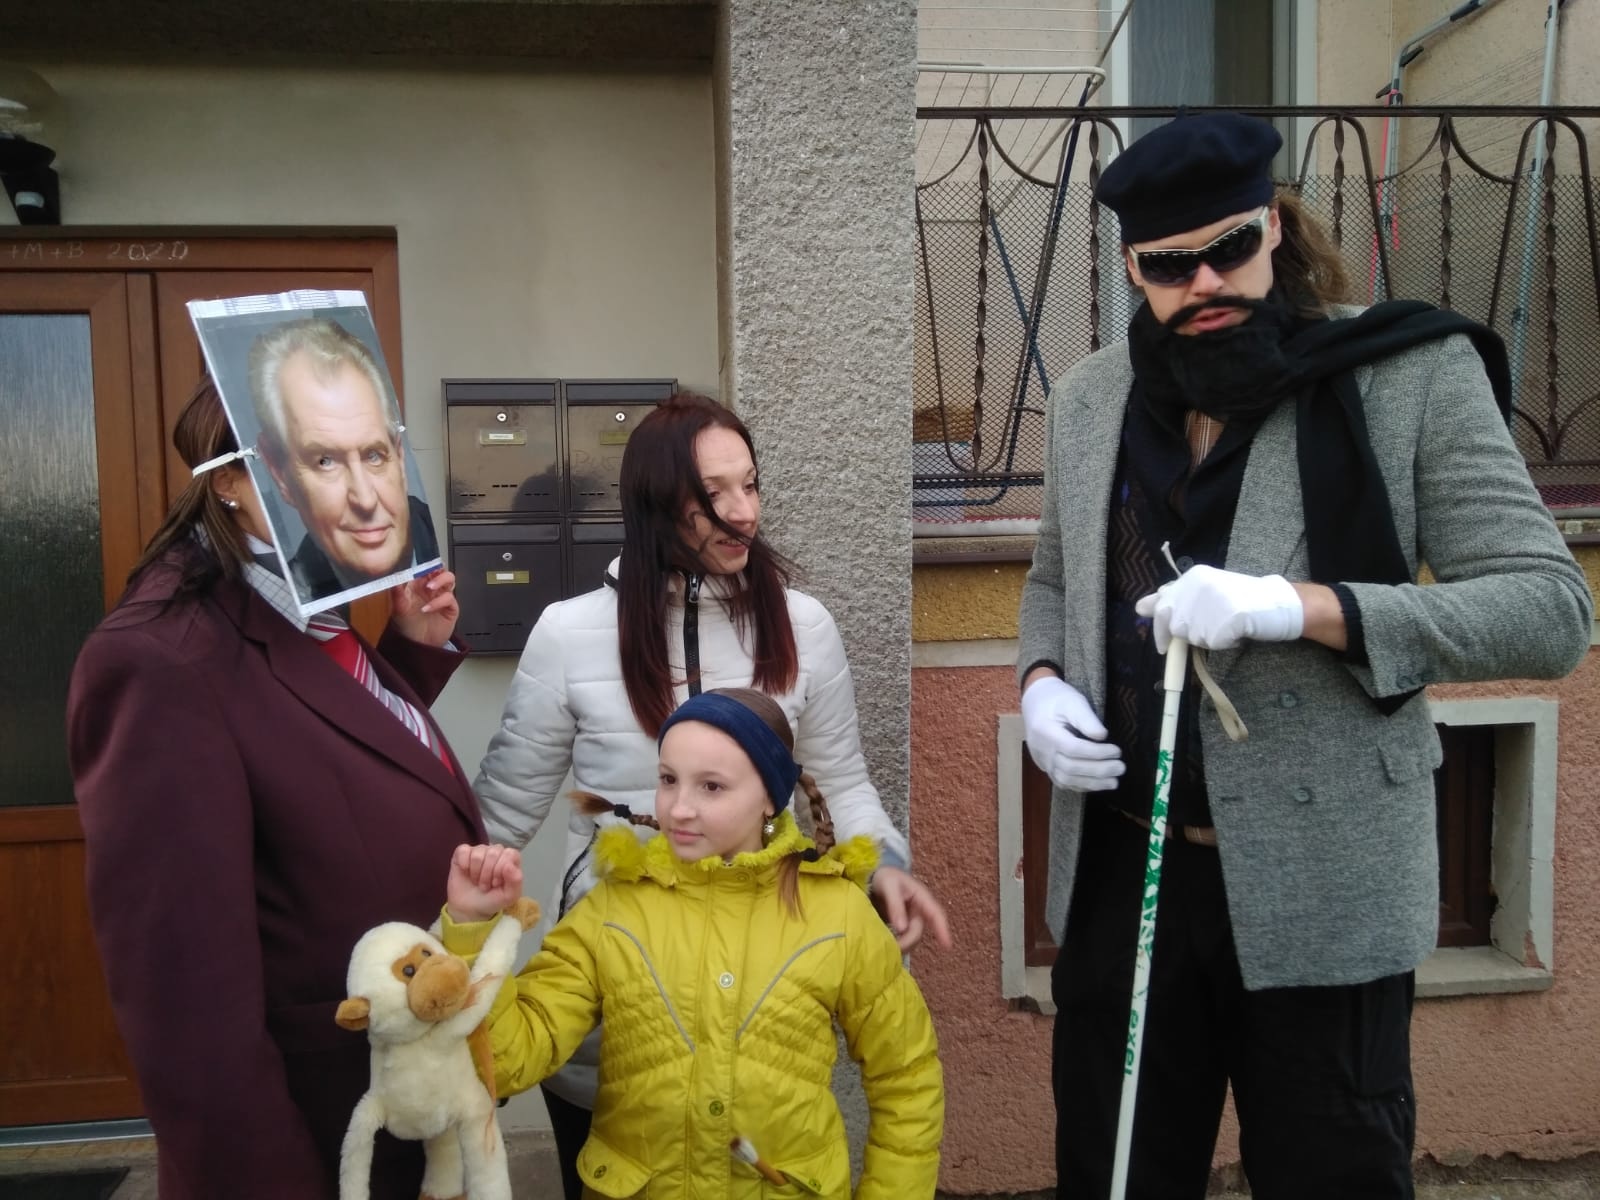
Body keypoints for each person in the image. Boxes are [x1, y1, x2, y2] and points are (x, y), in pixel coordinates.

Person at [1016, 113, 1593, 1199]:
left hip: (1326, 880)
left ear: (1273, 228)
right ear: (1133, 268)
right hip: (1127, 873)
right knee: (1113, 1174)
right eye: (1169, 265)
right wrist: (1041, 682)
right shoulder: (1093, 396)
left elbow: (1548, 611)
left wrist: (1302, 607)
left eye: (1230, 246)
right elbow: (1053, 579)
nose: (1204, 282)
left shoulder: (1408, 373)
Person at [474, 390, 952, 1198]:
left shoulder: (804, 626)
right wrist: (450, 946)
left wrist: (885, 867)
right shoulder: (567, 634)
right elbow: (497, 822)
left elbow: (841, 783)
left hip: (760, 999)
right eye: (714, 494)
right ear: (657, 504)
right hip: (613, 995)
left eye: (751, 485)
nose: (744, 513)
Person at [67, 378, 482, 1200]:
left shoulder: (301, 601)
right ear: (230, 479)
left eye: (376, 454)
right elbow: (187, 1010)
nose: (365, 493)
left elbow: (307, 756)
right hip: (317, 1139)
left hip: (403, 1108)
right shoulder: (159, 662)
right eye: (322, 460)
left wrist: (409, 652)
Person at [445, 688, 944, 1199]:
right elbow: (507, 1061)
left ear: (770, 797)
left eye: (712, 786)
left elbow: (906, 1079)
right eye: (668, 779)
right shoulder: (614, 909)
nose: (679, 808)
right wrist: (472, 933)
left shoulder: (838, 915)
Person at [249, 316, 438, 598]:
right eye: (325, 461)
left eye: (373, 455)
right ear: (279, 473)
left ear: (399, 455)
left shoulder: (433, 533)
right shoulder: (295, 600)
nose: (365, 499)